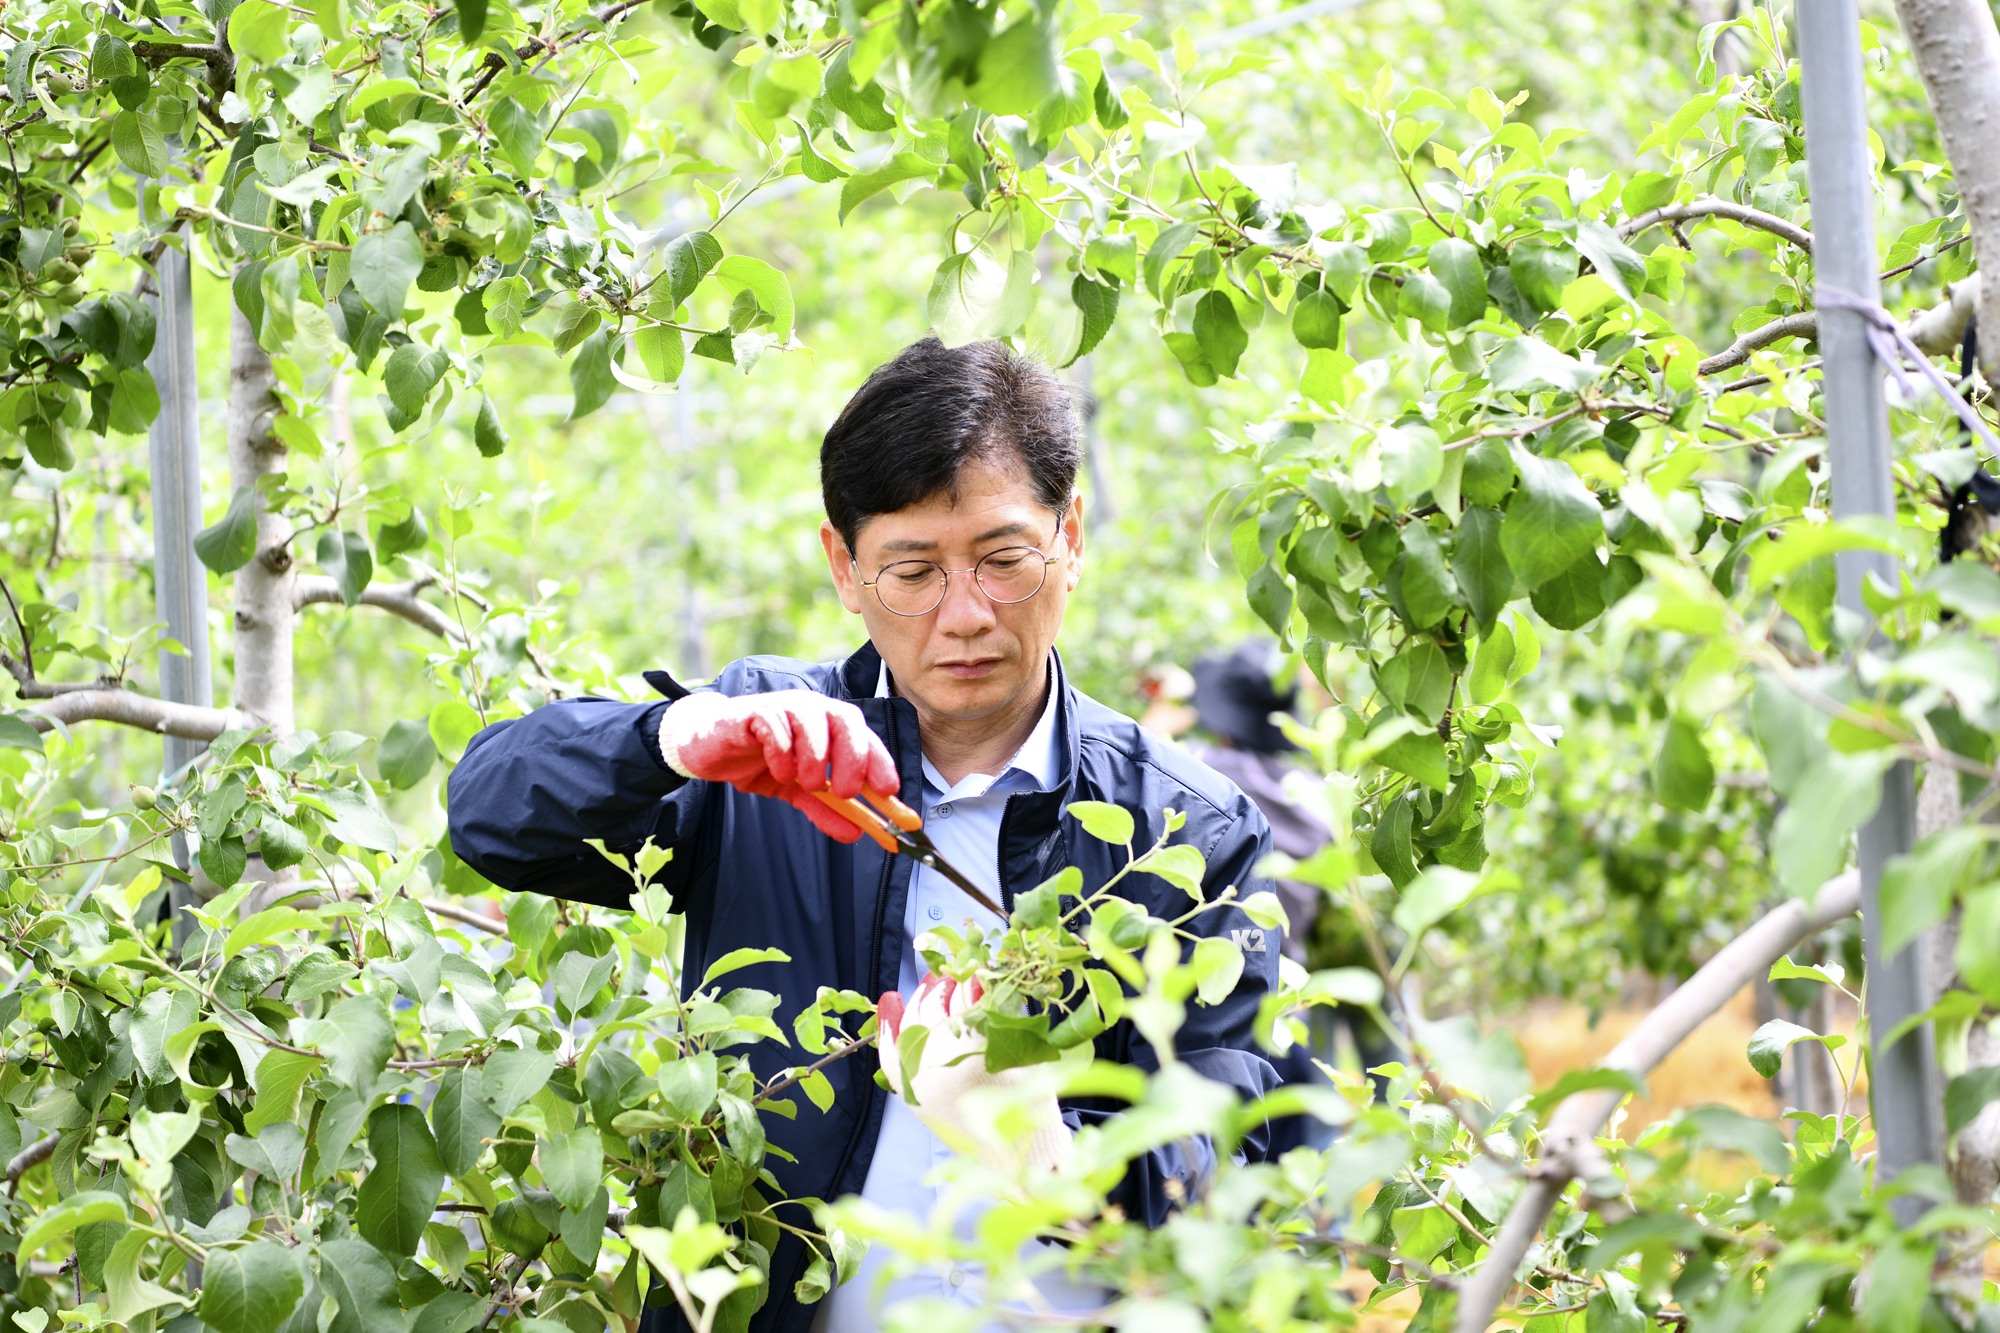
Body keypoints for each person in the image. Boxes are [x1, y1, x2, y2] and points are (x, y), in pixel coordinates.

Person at [446, 338, 1283, 1333]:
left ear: (1071, 537)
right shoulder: (763, 750)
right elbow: (492, 818)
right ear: (843, 569)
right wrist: (670, 736)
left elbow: (1232, 1163)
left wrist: (1043, 1146)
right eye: (911, 571)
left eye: (1002, 560)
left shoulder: (1181, 827)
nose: (963, 615)